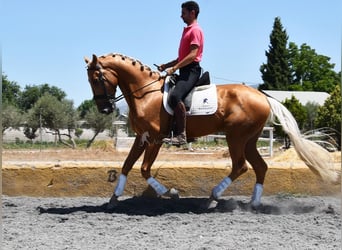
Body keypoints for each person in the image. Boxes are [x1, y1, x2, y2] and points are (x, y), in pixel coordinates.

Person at [158, 1, 204, 146]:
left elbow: (192, 55)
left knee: (175, 96)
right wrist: (167, 65)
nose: (181, 16)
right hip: (184, 70)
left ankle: (181, 135)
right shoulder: (188, 30)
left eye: (183, 13)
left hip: (191, 71)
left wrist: (173, 69)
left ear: (192, 13)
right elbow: (182, 57)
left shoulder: (195, 30)